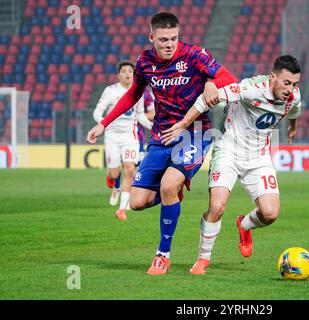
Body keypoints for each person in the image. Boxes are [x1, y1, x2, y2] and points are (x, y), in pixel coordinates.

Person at [86, 12, 237, 275]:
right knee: (136, 201)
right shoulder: (144, 61)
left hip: (195, 132)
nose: (169, 44)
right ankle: (173, 197)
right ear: (152, 37)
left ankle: (162, 255)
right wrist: (104, 123)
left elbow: (230, 79)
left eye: (174, 38)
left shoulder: (194, 55)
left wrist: (212, 83)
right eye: (164, 39)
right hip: (160, 135)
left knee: (168, 185)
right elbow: (133, 94)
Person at [161, 55, 302, 275]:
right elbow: (206, 99)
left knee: (270, 214)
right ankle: (202, 259)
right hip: (228, 151)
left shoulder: (293, 97)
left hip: (259, 158)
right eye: (286, 83)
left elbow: (295, 111)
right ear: (273, 77)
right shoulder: (250, 89)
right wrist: (183, 124)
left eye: (295, 84)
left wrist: (292, 128)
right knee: (217, 207)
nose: (290, 89)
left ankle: (244, 225)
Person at [93, 60, 154, 221]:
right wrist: (103, 124)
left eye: (130, 71)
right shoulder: (110, 91)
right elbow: (97, 112)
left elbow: (140, 114)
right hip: (112, 135)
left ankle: (122, 209)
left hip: (130, 136)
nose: (127, 74)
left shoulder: (138, 92)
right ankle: (112, 180)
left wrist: (151, 127)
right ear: (118, 75)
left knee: (130, 170)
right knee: (114, 173)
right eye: (124, 71)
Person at [137, 87, 156, 165]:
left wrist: (137, 116)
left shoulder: (146, 93)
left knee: (136, 169)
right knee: (114, 172)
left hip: (137, 138)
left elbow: (153, 114)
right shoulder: (113, 90)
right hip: (115, 136)